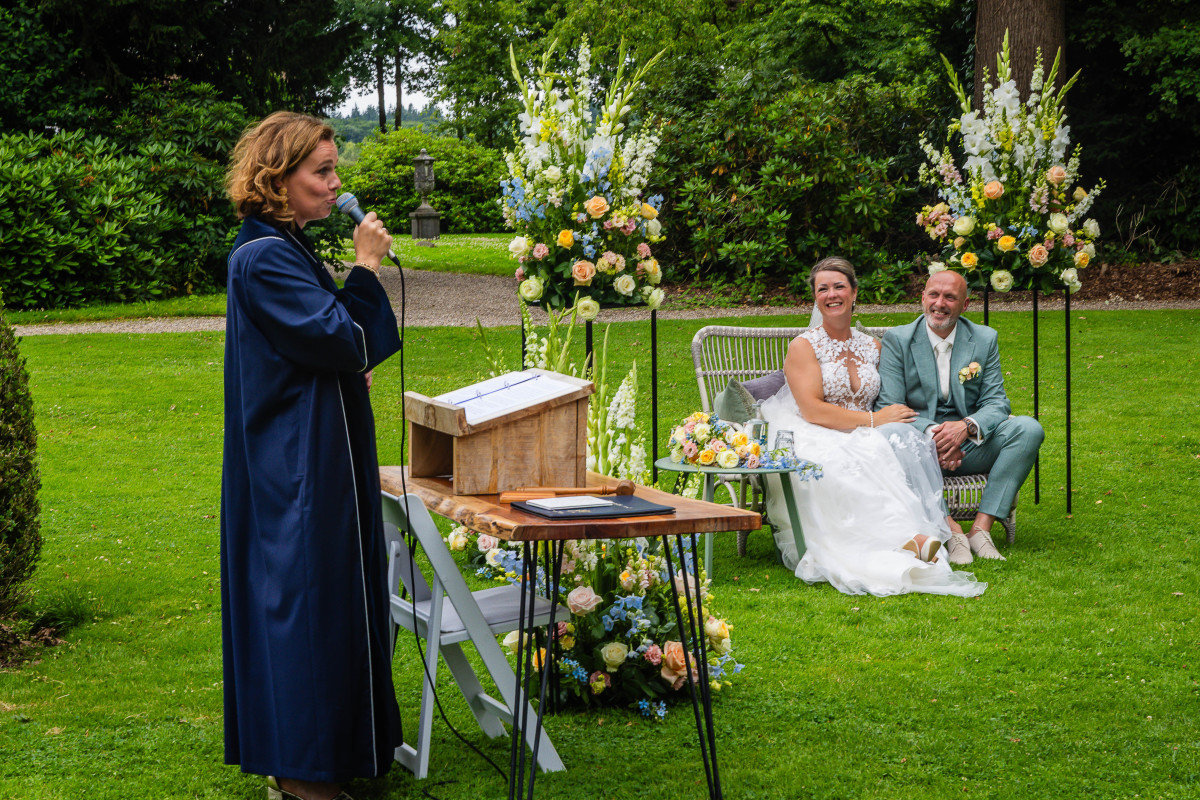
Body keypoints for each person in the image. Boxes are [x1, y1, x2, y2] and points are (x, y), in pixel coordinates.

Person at [221, 111, 403, 800]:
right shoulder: (264, 255)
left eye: (334, 171)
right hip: (295, 466)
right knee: (304, 602)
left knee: (331, 597)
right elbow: (341, 341)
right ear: (277, 178)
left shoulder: (284, 245)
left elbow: (327, 346)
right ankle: (301, 778)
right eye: (320, 173)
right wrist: (365, 267)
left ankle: (334, 757)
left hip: (317, 450)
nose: (334, 186)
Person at [759, 257, 985, 597]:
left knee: (887, 448)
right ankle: (903, 543)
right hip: (817, 430)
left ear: (853, 293)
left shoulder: (873, 346)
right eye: (823, 289)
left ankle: (924, 539)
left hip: (869, 431)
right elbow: (812, 410)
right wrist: (873, 420)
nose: (831, 295)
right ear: (815, 297)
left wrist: (940, 433)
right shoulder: (803, 346)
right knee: (844, 462)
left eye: (839, 287)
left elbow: (898, 397)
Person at [876, 269, 1044, 564]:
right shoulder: (898, 339)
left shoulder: (984, 338)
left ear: (965, 304)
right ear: (922, 297)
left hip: (969, 445)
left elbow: (996, 402)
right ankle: (951, 529)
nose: (939, 303)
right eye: (933, 295)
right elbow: (890, 404)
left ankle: (980, 529)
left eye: (950, 297)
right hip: (918, 447)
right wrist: (937, 435)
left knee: (1028, 429)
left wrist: (965, 427)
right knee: (892, 436)